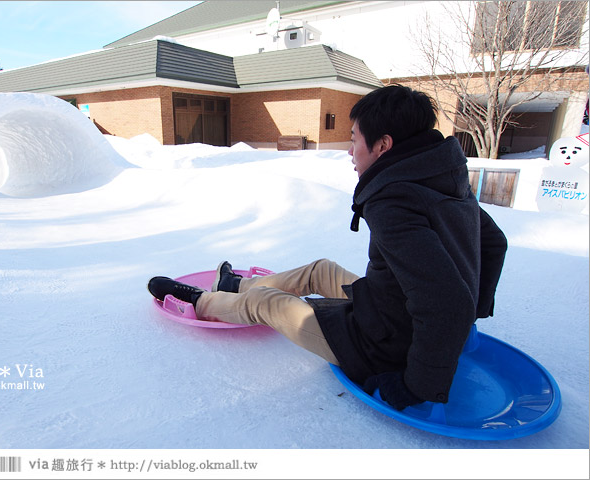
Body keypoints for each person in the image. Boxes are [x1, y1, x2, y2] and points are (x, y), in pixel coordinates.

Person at [148, 85, 507, 411]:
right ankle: (234, 287)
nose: (350, 151)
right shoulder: (440, 176)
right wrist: (464, 323)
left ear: (383, 145)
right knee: (322, 271)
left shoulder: (395, 201)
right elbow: (494, 243)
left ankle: (200, 302)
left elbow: (446, 301)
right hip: (393, 309)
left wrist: (416, 386)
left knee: (265, 304)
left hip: (385, 348)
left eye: (355, 140)